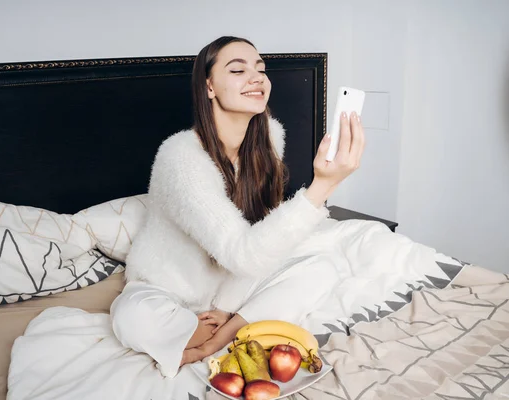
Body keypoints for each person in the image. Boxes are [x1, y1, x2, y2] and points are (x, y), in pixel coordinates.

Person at [109, 36, 365, 378]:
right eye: (238, 69)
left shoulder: (269, 137)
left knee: (323, 267)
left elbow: (258, 234)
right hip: (167, 290)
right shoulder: (181, 158)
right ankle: (204, 328)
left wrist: (226, 314)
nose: (257, 77)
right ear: (209, 86)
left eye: (260, 69)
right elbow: (242, 253)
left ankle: (220, 338)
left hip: (230, 285)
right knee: (131, 316)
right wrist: (323, 186)